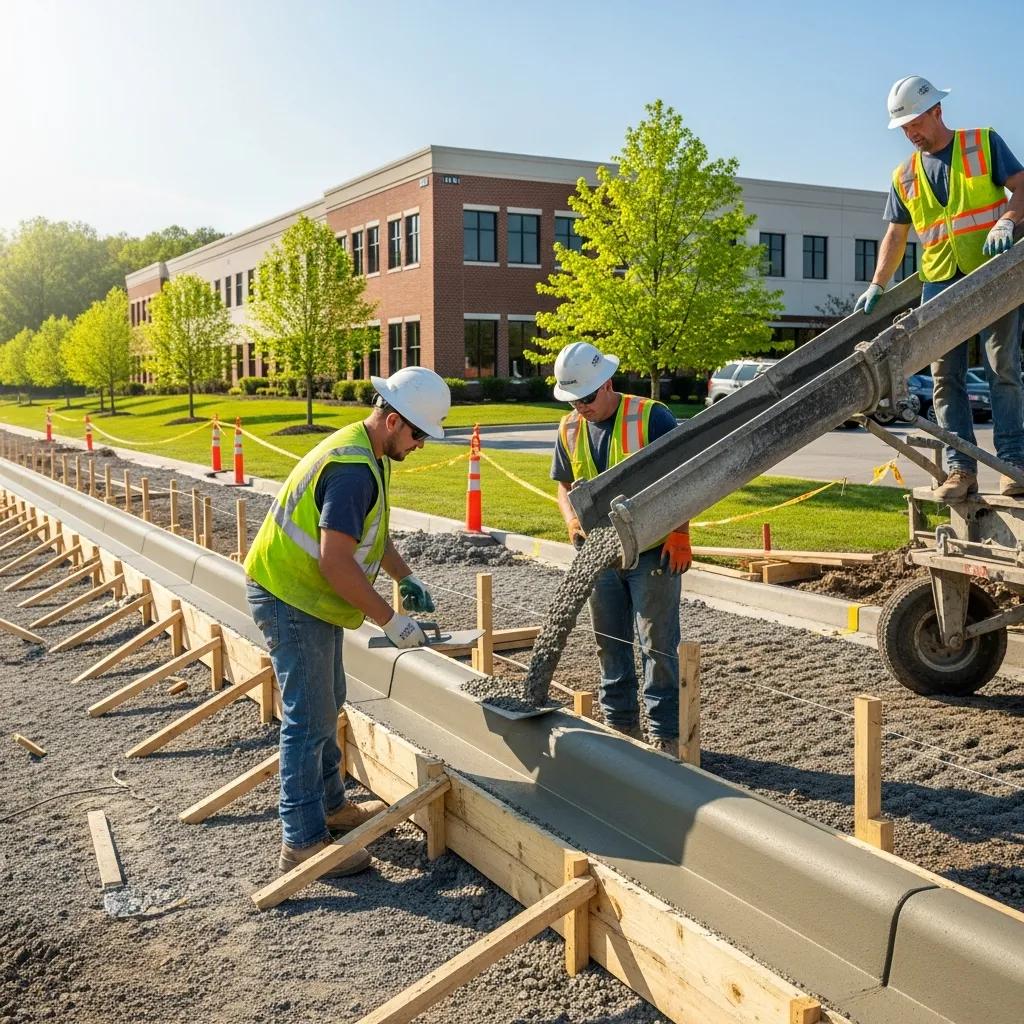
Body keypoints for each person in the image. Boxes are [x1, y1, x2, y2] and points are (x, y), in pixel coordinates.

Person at [244, 366, 450, 876]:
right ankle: (302, 841)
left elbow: (366, 537)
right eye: (420, 433)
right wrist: (388, 620)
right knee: (308, 717)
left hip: (306, 595)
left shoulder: (369, 451)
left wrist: (402, 576)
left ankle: (331, 806)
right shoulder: (354, 470)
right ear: (394, 420)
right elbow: (335, 563)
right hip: (290, 595)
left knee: (328, 700)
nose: (422, 444)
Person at [855, 75, 1024, 500]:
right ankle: (960, 470)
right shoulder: (905, 175)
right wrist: (878, 282)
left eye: (915, 123)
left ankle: (1013, 464)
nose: (910, 133)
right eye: (904, 128)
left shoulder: (983, 143)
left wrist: (1007, 219)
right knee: (945, 377)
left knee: (1002, 369)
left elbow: (1022, 186)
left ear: (937, 111)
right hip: (940, 281)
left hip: (992, 275)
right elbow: (896, 234)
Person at [550, 341, 691, 753]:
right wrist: (572, 521)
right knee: (610, 642)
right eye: (573, 400)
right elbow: (562, 485)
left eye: (588, 397)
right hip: (600, 554)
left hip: (654, 550)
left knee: (657, 644)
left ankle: (665, 735)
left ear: (607, 383)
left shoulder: (651, 416)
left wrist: (681, 532)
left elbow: (684, 476)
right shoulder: (569, 427)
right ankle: (621, 728)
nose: (582, 407)